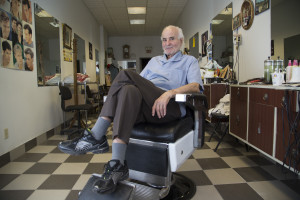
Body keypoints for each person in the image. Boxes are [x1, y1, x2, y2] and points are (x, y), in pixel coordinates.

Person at [58, 25, 203, 194]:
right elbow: (137, 84)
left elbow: (195, 86)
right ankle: (117, 164)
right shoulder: (154, 61)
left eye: (171, 38)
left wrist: (169, 93)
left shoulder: (189, 61)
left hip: (171, 107)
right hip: (149, 106)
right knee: (128, 89)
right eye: (164, 39)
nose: (167, 43)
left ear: (180, 40)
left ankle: (96, 135)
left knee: (126, 74)